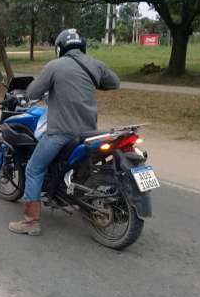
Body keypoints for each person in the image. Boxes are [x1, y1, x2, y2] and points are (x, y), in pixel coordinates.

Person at [8, 28, 121, 236]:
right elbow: (114, 83)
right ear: (82, 46)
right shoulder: (95, 64)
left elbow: (33, 92)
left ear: (60, 48)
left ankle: (31, 222)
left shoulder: (55, 66)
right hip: (89, 131)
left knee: (33, 169)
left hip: (61, 132)